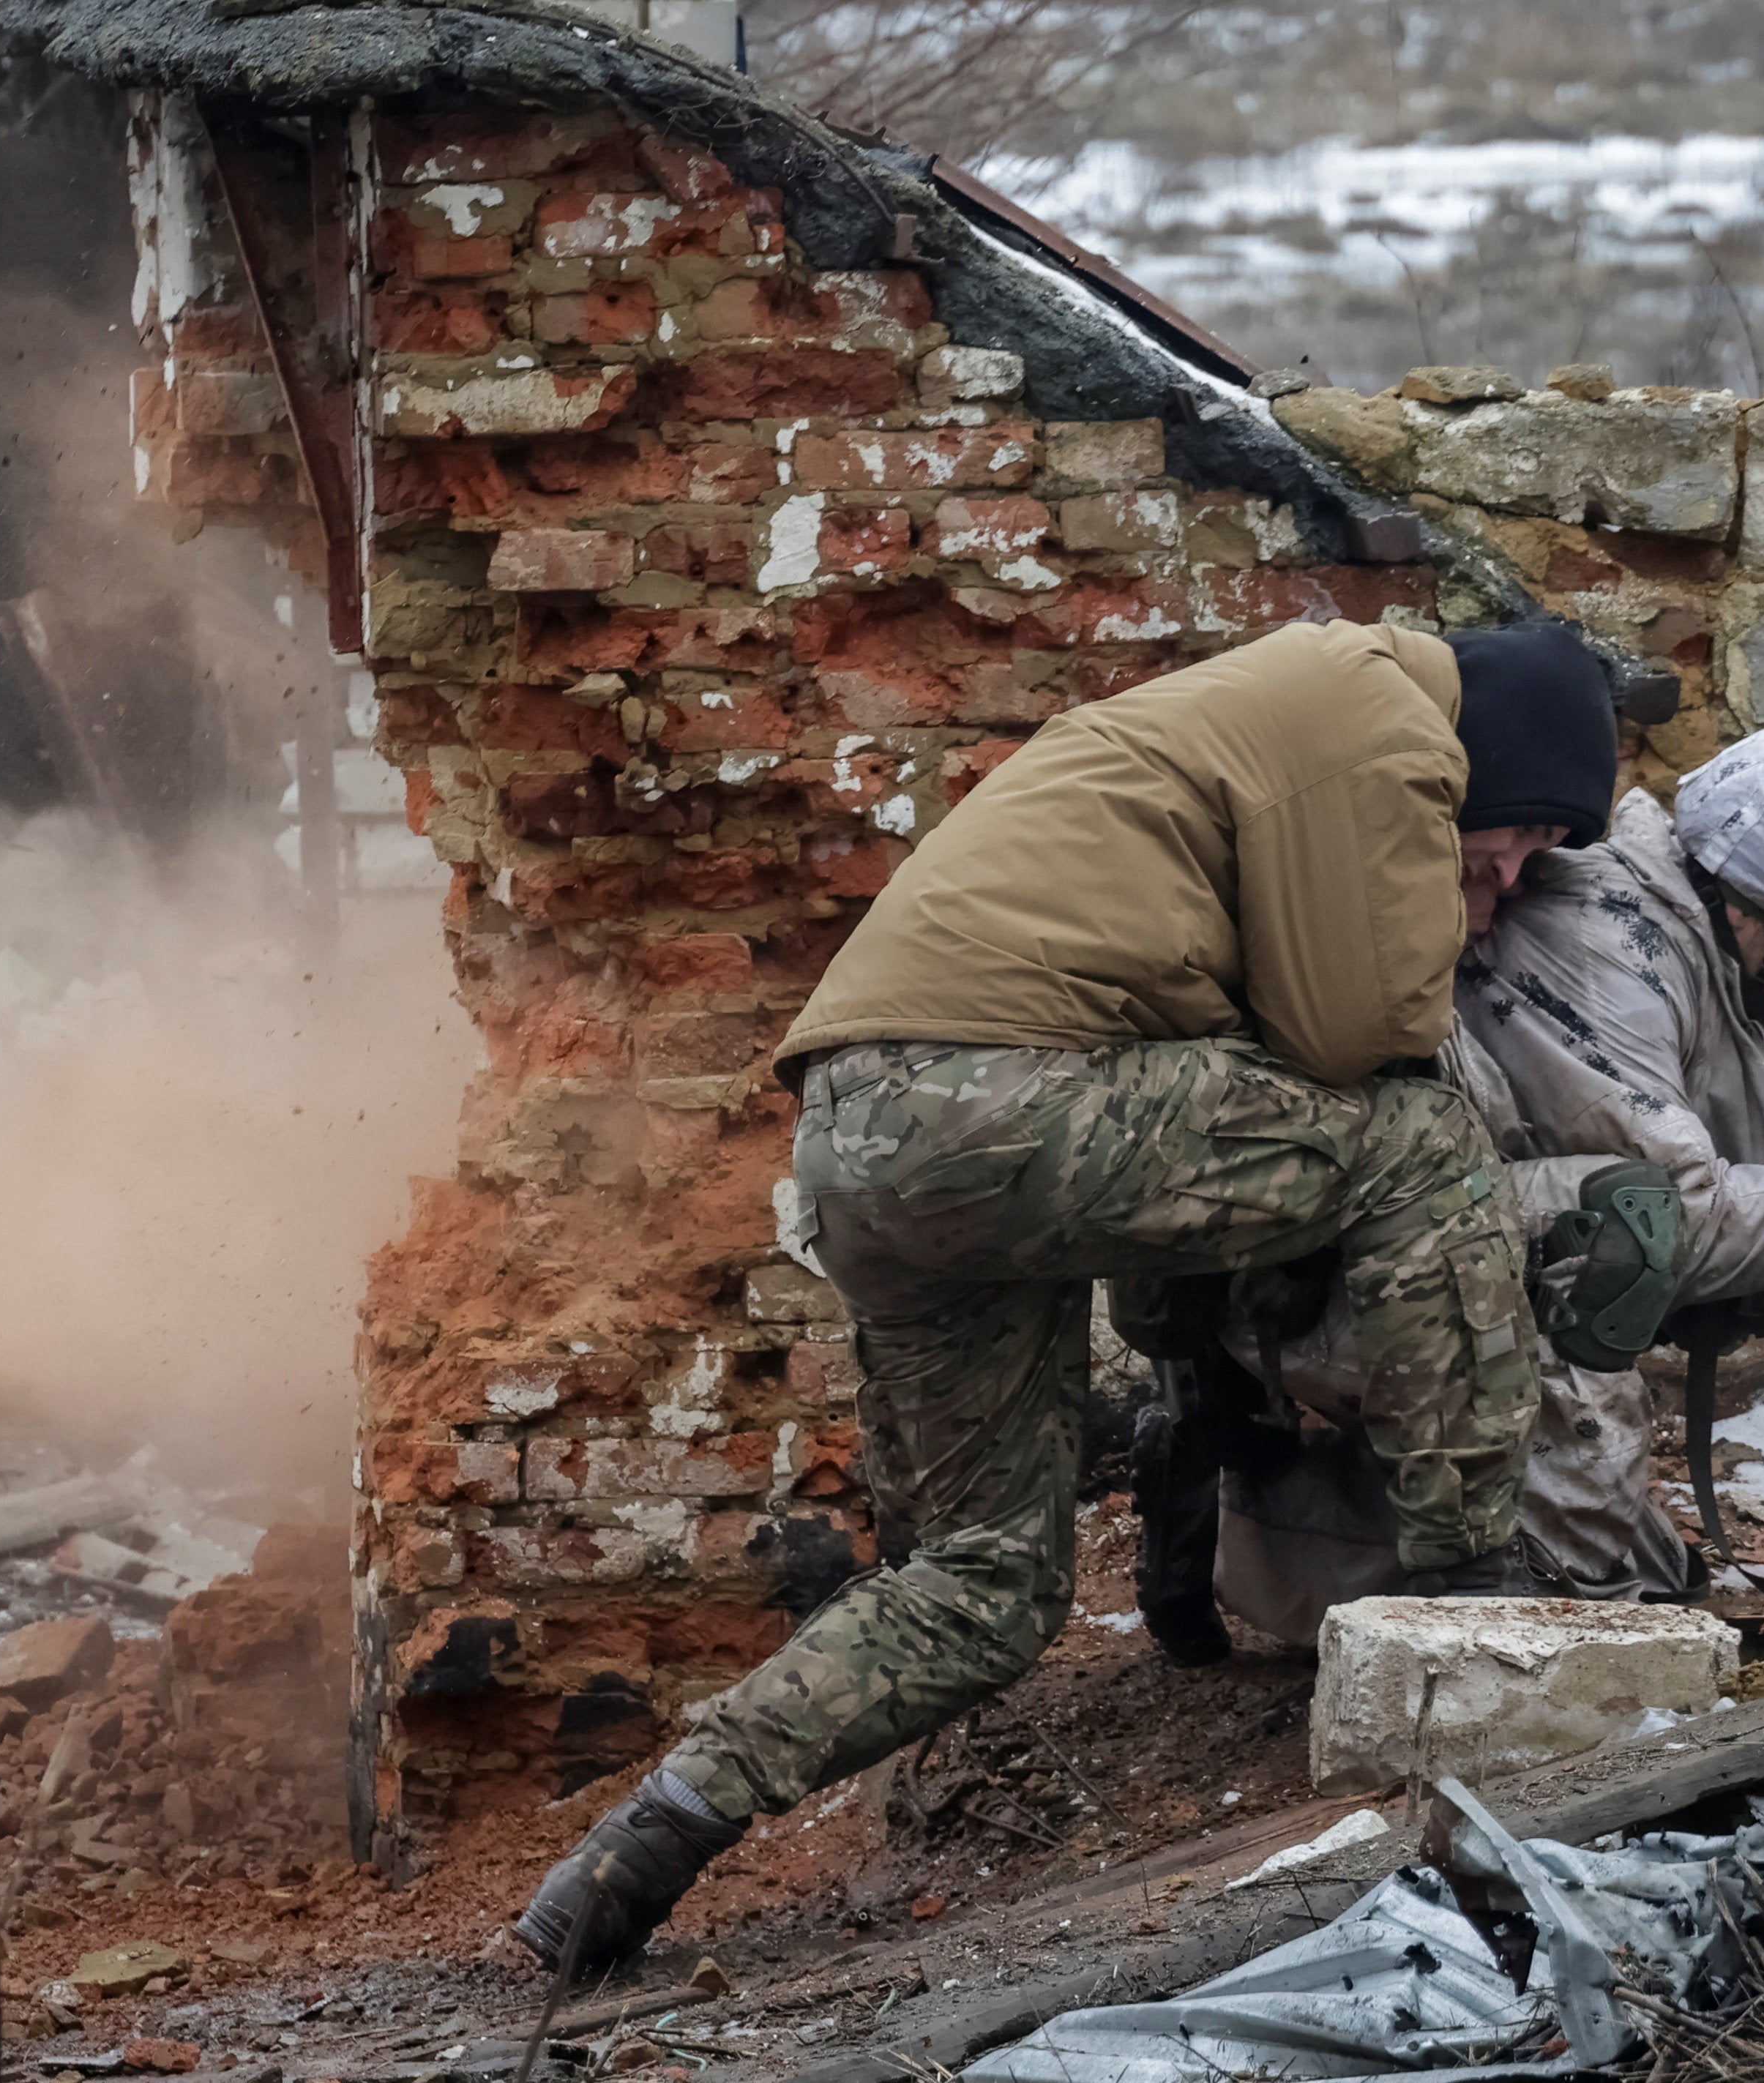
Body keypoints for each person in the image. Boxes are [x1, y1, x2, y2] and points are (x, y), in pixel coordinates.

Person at [509, 614, 1626, 1972]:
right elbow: (1360, 1033)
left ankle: (646, 1842)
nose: (1505, 884)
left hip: (871, 1138)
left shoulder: (1263, 711)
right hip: (991, 1097)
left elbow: (1219, 1101)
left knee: (981, 1584)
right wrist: (1439, 920)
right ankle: (1469, 1599)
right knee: (1418, 1136)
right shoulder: (1378, 711)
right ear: (1494, 765)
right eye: (1514, 848)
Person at [1205, 724, 1764, 1638]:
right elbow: (1670, 1213)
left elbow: (1730, 1183)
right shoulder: (1598, 945)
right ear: (1748, 909)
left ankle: (1291, 1525)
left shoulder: (1757, 991)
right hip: (1357, 1276)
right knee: (1575, 1577)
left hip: (1477, 1258)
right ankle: (1252, 1523)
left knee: (1637, 1573)